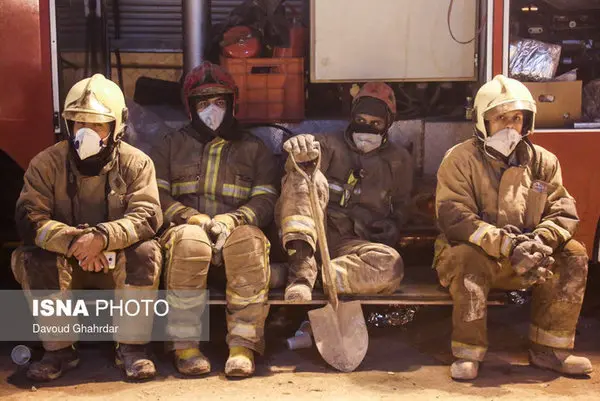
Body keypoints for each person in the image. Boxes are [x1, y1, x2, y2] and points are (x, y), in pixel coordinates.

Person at [434, 74, 592, 380]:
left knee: (573, 253)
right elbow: (454, 217)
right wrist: (507, 245)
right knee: (466, 257)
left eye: (516, 118)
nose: (509, 126)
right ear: (483, 122)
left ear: (527, 122)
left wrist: (540, 243)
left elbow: (562, 209)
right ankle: (468, 353)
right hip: (480, 255)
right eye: (500, 118)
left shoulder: (543, 161)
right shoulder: (460, 160)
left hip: (529, 256)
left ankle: (550, 350)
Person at [12, 74, 163, 381]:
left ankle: (132, 349)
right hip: (68, 259)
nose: (87, 132)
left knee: (146, 252)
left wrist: (103, 238)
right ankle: (59, 352)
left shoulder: (137, 164)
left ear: (117, 126)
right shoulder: (46, 164)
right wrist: (75, 242)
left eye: (98, 125)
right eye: (80, 123)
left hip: (114, 262)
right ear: (69, 125)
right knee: (33, 257)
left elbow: (147, 216)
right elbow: (30, 218)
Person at [151, 61, 278, 378]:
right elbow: (155, 196)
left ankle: (242, 347)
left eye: (220, 102)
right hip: (185, 235)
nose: (212, 110)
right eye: (204, 103)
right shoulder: (170, 145)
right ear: (190, 107)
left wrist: (234, 220)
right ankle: (186, 348)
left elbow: (266, 199)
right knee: (190, 242)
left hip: (234, 233)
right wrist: (189, 217)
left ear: (234, 103)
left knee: (249, 242)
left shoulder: (254, 149)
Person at [277, 82, 412, 301]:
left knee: (390, 265)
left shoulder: (398, 161)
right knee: (306, 176)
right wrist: (300, 154)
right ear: (352, 117)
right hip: (314, 235)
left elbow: (402, 204)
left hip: (350, 245)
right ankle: (301, 266)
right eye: (361, 120)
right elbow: (298, 177)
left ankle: (305, 277)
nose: (367, 128)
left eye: (375, 123)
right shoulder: (326, 145)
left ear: (388, 124)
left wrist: (393, 225)